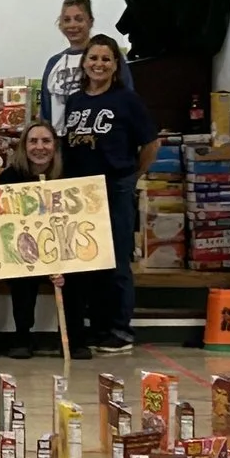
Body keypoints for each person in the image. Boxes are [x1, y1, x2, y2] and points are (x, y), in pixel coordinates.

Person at [57, 35, 157, 354]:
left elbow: (151, 144)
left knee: (116, 260)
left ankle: (120, 329)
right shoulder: (74, 100)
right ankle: (96, 326)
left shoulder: (127, 100)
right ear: (84, 63)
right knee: (88, 260)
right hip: (80, 192)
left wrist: (131, 176)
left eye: (106, 59)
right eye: (94, 58)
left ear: (116, 65)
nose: (99, 64)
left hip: (114, 186)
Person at [0, 120, 66, 359]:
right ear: (24, 146)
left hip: (61, 248)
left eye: (46, 141)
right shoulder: (9, 177)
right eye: (33, 141)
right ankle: (22, 336)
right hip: (23, 249)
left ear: (55, 145)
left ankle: (73, 337)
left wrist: (63, 262)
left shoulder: (68, 176)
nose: (39, 147)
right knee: (23, 273)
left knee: (78, 274)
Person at [39, 0, 132, 131]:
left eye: (78, 19)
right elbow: (46, 111)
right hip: (61, 142)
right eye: (67, 19)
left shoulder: (107, 57)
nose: (73, 25)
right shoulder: (54, 63)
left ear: (90, 21)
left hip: (100, 138)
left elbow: (127, 99)